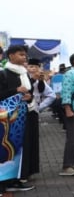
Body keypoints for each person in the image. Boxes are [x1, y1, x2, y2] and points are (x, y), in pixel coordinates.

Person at [0, 46, 36, 192]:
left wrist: (29, 97)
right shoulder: (4, 74)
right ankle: (2, 183)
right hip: (5, 121)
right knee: (5, 150)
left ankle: (14, 180)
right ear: (11, 56)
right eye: (21, 54)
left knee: (18, 150)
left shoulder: (23, 74)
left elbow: (29, 93)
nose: (24, 57)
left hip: (21, 118)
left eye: (25, 55)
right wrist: (16, 91)